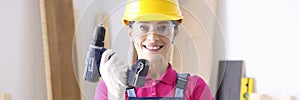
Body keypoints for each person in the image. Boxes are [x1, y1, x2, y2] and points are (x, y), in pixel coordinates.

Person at [94, 0, 214, 99]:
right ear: (131, 33)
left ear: (175, 32)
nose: (152, 38)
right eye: (143, 27)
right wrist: (116, 94)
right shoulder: (110, 86)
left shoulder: (196, 88)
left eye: (162, 28)